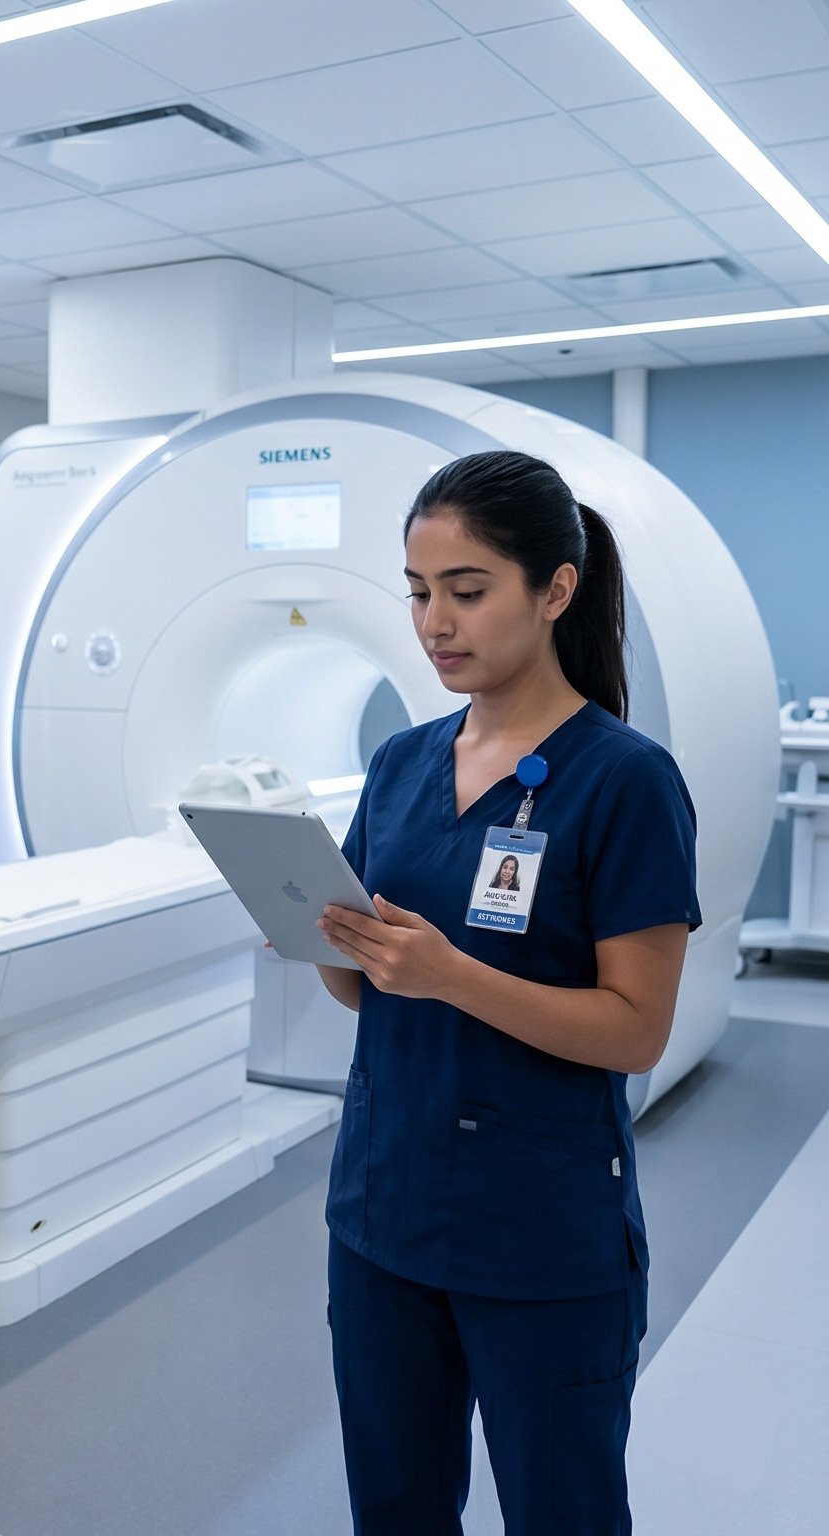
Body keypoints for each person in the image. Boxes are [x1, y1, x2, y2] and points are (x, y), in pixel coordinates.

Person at [309, 450, 692, 1536]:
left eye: (467, 591)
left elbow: (635, 1030)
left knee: (559, 1511)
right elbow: (367, 995)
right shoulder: (398, 763)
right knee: (394, 1506)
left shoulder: (622, 780)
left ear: (554, 590)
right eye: (420, 592)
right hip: (381, 1213)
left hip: (537, 1232)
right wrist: (327, 939)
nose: (436, 621)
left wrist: (448, 974)